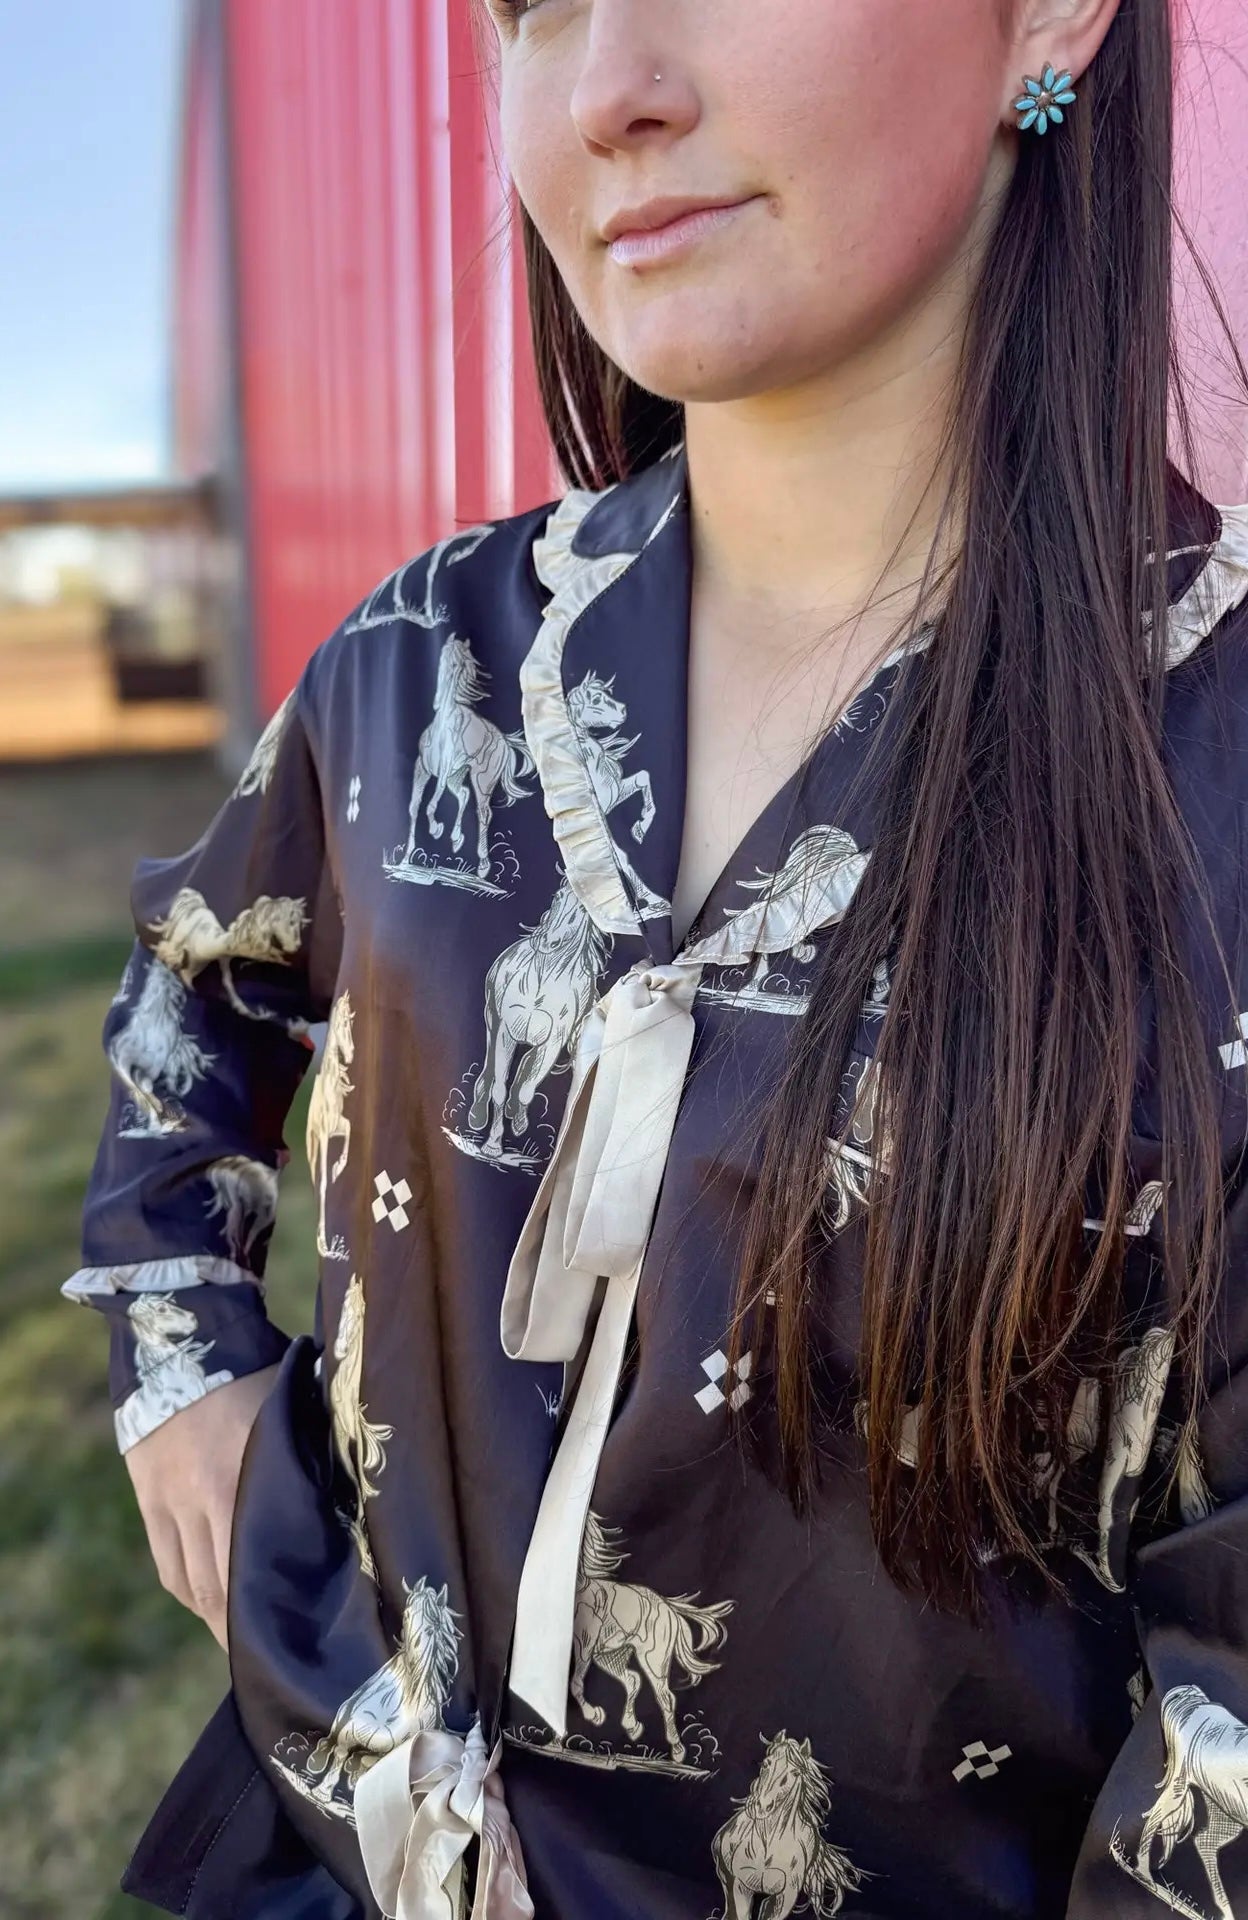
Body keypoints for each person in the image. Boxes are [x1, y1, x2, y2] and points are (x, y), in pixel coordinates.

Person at [64, 0, 1248, 1914]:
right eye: (531, 6)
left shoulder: (1217, 766)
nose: (608, 90)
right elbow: (192, 991)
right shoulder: (424, 664)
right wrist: (181, 1352)